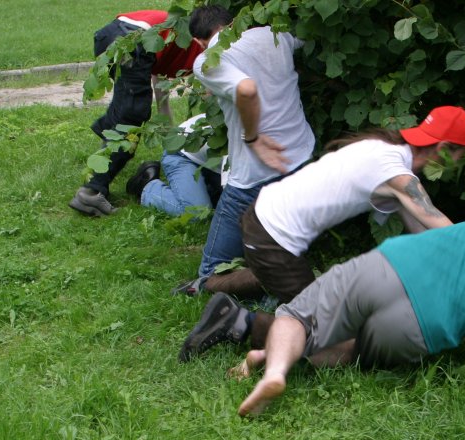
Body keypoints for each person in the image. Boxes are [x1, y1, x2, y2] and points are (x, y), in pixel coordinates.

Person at [177, 106, 465, 361]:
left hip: (262, 218)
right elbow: (441, 227)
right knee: (323, 334)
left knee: (272, 272)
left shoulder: (385, 150)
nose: (459, 164)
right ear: (443, 148)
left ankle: (203, 285)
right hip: (273, 238)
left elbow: (420, 230)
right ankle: (239, 322)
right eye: (461, 156)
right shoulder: (396, 173)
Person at [228, 214, 465, 416]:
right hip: (423, 321)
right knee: (356, 349)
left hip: (394, 262)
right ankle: (277, 357)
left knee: (299, 315)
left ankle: (271, 363)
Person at [174, 5, 316, 296]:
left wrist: (252, 138)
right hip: (301, 159)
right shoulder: (274, 35)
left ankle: (277, 277)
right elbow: (309, 36)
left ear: (199, 41)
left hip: (255, 175)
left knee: (212, 273)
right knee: (278, 232)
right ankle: (285, 270)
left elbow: (246, 89)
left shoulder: (208, 60)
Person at [69, 9, 205, 217]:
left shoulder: (185, 38)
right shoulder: (206, 53)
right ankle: (92, 191)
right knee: (131, 118)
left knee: (125, 110)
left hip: (111, 35)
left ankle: (104, 157)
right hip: (135, 40)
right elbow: (211, 94)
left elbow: (159, 77)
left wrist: (167, 126)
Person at [125, 113, 224, 217]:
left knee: (217, 205)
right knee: (197, 213)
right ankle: (147, 186)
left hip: (209, 163)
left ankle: (202, 191)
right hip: (182, 153)